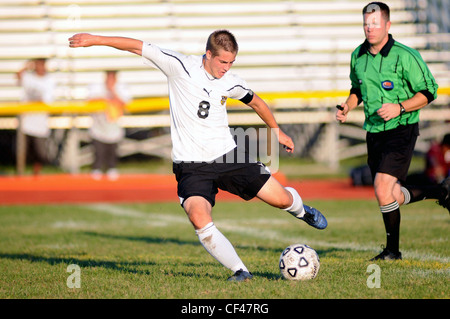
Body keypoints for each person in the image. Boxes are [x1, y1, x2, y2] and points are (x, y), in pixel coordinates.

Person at [69, 30, 327, 281]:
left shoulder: (230, 81)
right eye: (223, 61)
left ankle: (302, 211)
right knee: (198, 216)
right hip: (191, 165)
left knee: (281, 200)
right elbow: (137, 46)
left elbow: (257, 102)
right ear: (208, 54)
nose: (226, 67)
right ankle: (241, 271)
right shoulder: (180, 65)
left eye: (231, 62)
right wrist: (95, 40)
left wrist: (276, 131)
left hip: (228, 156)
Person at [335, 2, 449, 261]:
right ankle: (442, 192)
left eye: (375, 23)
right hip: (373, 132)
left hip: (402, 129)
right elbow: (356, 90)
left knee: (382, 187)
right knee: (392, 194)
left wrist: (400, 107)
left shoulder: (405, 55)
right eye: (366, 22)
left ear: (387, 25)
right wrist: (347, 106)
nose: (370, 27)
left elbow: (429, 91)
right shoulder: (357, 56)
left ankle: (392, 251)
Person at [88, 70, 131, 180]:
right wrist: (105, 99)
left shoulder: (121, 88)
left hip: (114, 127)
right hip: (98, 127)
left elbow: (125, 103)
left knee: (112, 152)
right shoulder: (97, 87)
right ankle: (96, 169)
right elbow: (90, 101)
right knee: (98, 152)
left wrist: (112, 91)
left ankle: (111, 168)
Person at [16, 58, 55, 175]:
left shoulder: (49, 80)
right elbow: (18, 75)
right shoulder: (29, 77)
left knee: (40, 152)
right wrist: (27, 65)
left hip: (40, 122)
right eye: (37, 64)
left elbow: (48, 101)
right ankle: (21, 171)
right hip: (26, 121)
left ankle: (36, 173)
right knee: (24, 151)